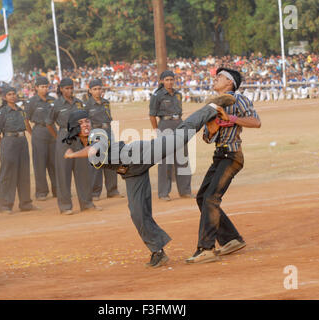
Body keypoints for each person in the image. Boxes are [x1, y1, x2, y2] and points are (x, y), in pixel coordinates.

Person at [64, 94, 235, 267]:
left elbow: (93, 151)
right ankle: (158, 252)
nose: (86, 124)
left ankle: (211, 108)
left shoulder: (97, 133)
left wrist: (72, 155)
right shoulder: (84, 142)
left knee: (180, 137)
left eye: (87, 121)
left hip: (140, 154)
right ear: (73, 128)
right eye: (81, 123)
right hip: (131, 172)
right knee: (137, 213)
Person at [185, 67, 261, 264]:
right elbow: (207, 138)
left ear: (230, 83)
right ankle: (231, 239)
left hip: (232, 155)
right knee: (203, 197)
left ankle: (206, 248)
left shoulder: (238, 98)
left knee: (211, 198)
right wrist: (212, 129)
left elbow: (256, 122)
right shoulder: (212, 105)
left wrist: (231, 119)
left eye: (220, 77)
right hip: (220, 154)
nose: (215, 79)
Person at [46, 78, 100, 214]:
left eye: (71, 88)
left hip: (80, 138)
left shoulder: (79, 103)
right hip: (64, 137)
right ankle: (65, 206)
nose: (69, 90)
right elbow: (49, 123)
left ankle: (86, 203)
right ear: (61, 89)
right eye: (66, 88)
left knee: (83, 172)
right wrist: (58, 137)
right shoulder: (56, 104)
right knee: (63, 173)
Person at [149, 70, 193, 201]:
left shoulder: (178, 94)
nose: (169, 82)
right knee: (165, 161)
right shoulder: (157, 95)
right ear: (162, 81)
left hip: (179, 124)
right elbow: (152, 115)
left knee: (182, 158)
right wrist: (157, 130)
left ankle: (185, 191)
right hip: (165, 125)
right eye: (167, 80)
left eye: (171, 79)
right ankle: (163, 193)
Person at [0, 87, 38, 213]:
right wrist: (4, 147)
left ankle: (25, 203)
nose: (12, 96)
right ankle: (5, 205)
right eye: (9, 94)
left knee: (24, 173)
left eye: (14, 94)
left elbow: (26, 125)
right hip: (8, 142)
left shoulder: (21, 110)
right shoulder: (2, 112)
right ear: (4, 97)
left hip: (22, 141)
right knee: (8, 174)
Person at [84, 79, 123, 201]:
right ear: (90, 91)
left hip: (108, 132)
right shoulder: (87, 105)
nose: (97, 91)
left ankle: (112, 190)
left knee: (111, 160)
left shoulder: (106, 102)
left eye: (99, 88)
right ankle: (95, 192)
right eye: (94, 89)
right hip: (95, 133)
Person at [24, 76, 57, 201]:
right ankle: (41, 192)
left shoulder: (53, 100)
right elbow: (26, 120)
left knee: (55, 162)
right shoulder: (31, 102)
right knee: (40, 163)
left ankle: (57, 190)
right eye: (42, 87)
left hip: (53, 132)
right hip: (39, 131)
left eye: (46, 86)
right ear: (36, 88)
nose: (44, 89)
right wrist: (33, 133)